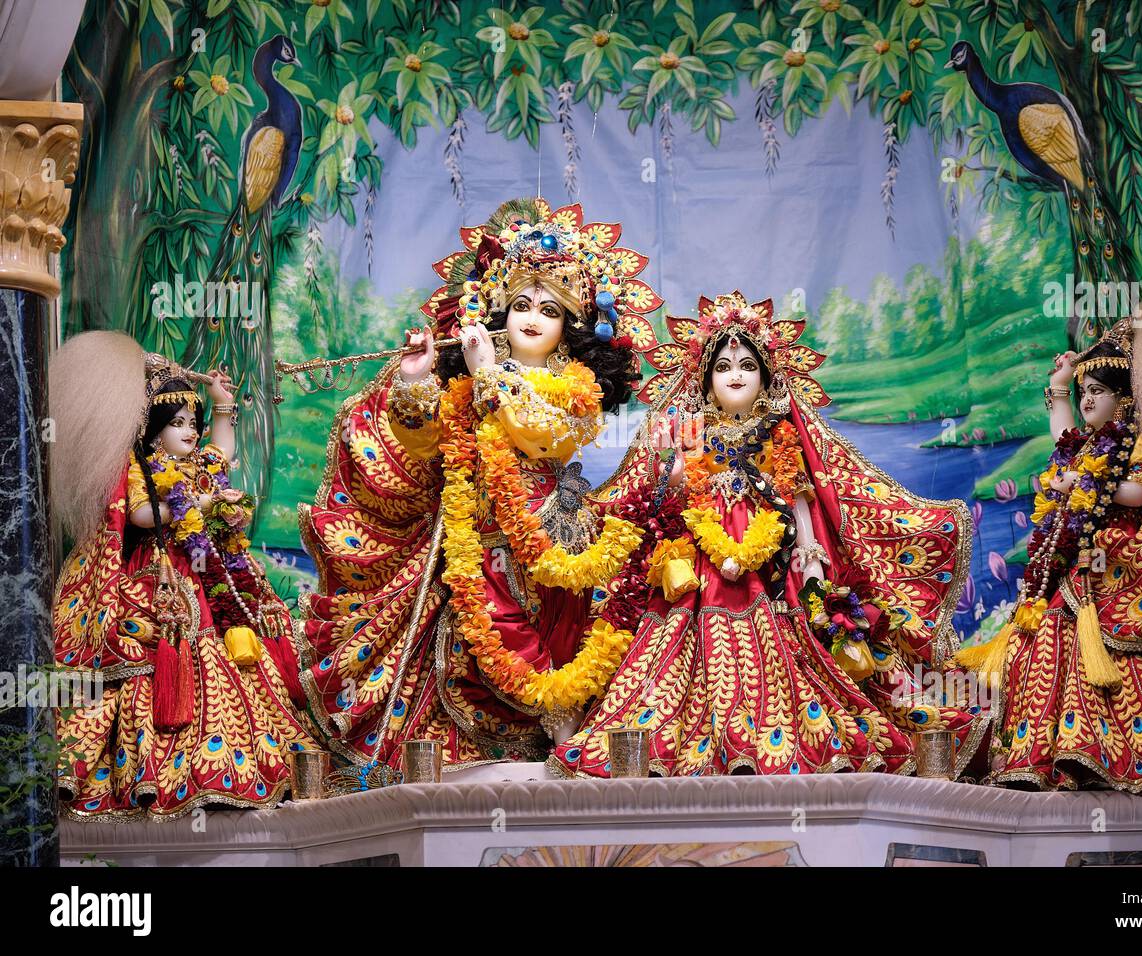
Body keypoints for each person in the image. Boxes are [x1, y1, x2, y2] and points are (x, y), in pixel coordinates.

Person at [297, 198, 664, 776]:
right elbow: (426, 442)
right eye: (521, 304)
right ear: (498, 312)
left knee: (556, 635)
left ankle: (561, 732)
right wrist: (417, 379)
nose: (532, 317)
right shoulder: (470, 381)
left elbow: (545, 439)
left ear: (571, 327)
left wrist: (490, 372)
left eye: (550, 309)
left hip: (551, 531)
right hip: (478, 531)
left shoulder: (575, 387)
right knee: (485, 629)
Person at [551, 291, 986, 777]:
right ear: (705, 381)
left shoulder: (780, 433)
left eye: (746, 365)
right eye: (722, 367)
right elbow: (671, 496)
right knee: (673, 649)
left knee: (797, 646)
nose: (735, 374)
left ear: (767, 376)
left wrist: (811, 556)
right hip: (700, 555)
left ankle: (786, 738)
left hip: (774, 558)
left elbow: (797, 495)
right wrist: (670, 465)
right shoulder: (692, 431)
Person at [955, 286, 1142, 791]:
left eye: (1096, 392)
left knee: (1097, 638)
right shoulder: (1086, 445)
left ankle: (1138, 754)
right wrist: (1059, 387)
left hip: (1127, 569)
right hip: (1083, 562)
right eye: (1083, 392)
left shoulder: (1139, 444)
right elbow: (1062, 438)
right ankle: (1064, 752)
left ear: (1123, 400)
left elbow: (1139, 492)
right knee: (1049, 631)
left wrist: (1086, 483)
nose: (1086, 400)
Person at [51, 332, 316, 819]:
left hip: (209, 570)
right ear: (154, 432)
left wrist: (221, 403)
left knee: (234, 644)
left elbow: (224, 452)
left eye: (193, 422)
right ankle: (162, 773)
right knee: (165, 649)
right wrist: (201, 504)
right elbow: (140, 516)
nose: (190, 432)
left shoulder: (199, 464)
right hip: (162, 576)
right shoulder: (141, 469)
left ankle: (238, 763)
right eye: (177, 424)